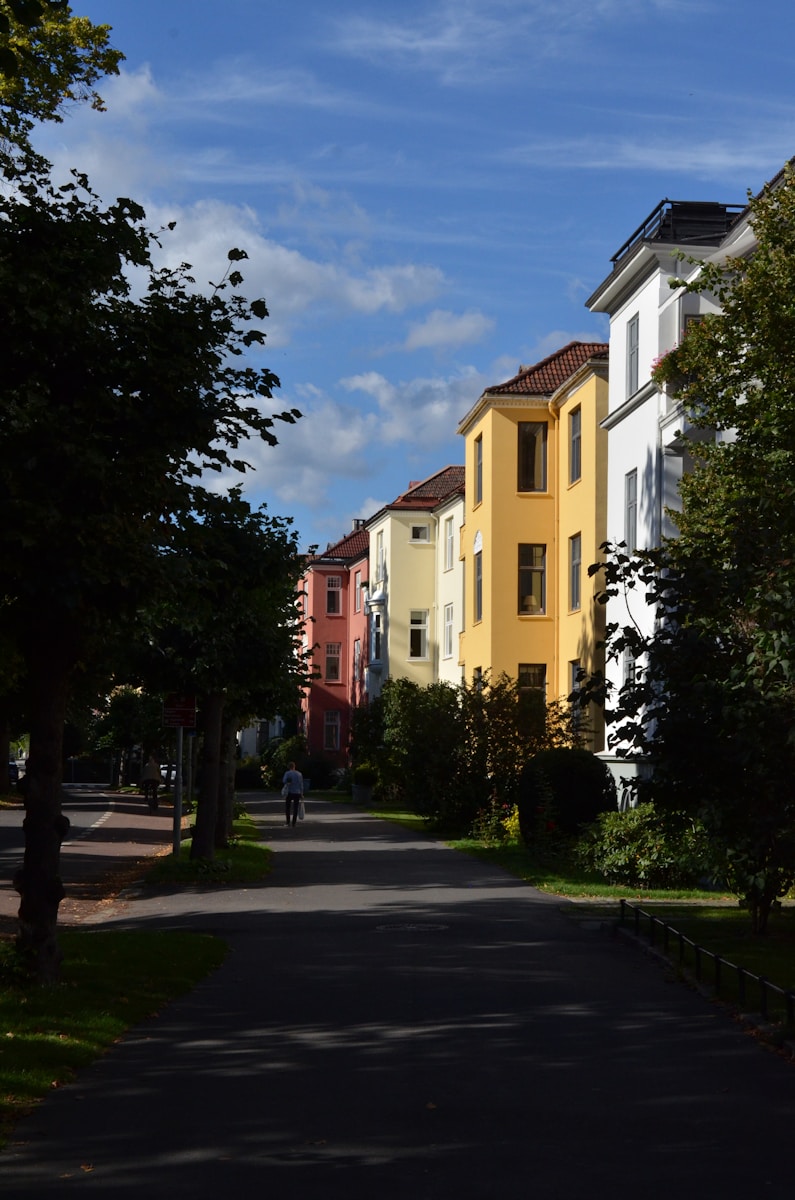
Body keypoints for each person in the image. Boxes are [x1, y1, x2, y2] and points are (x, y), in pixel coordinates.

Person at [282, 760, 304, 827]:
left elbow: (284, 781)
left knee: (288, 807)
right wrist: (301, 793)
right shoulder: (299, 774)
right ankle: (294, 823)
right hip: (297, 792)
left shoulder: (287, 773)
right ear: (294, 766)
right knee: (295, 808)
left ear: (289, 767)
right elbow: (301, 784)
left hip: (289, 792)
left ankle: (288, 822)